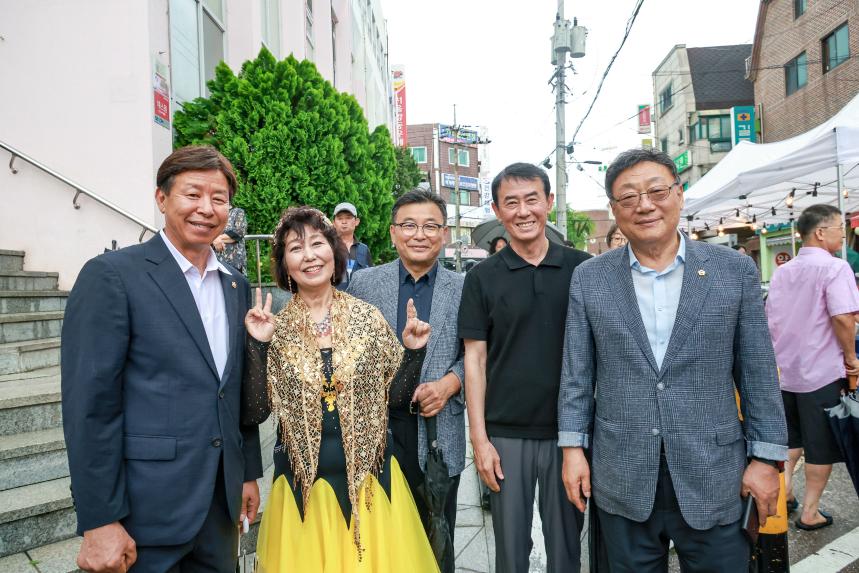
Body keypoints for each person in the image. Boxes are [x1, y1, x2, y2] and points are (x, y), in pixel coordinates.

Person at [559, 148, 788, 572]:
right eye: (629, 196)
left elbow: (757, 371)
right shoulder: (590, 278)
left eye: (656, 191)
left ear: (679, 195)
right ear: (614, 209)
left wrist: (766, 458)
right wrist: (572, 449)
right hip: (622, 471)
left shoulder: (732, 270)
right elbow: (577, 374)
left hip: (716, 473)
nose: (644, 205)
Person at [61, 145, 263, 573]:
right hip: (146, 512)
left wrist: (246, 472)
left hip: (219, 509)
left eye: (219, 198)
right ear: (162, 198)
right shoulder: (113, 275)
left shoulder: (235, 285)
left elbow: (233, 390)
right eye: (192, 194)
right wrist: (99, 520)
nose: (206, 208)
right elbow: (90, 407)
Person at [242, 206, 439, 572]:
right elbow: (256, 411)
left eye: (317, 244)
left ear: (334, 252)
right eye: (296, 248)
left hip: (372, 490)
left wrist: (414, 352)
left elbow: (396, 400)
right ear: (285, 265)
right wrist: (257, 344)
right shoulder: (275, 329)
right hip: (303, 497)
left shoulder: (368, 318)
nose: (309, 256)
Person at [459, 162, 590, 572]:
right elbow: (475, 359)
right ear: (497, 211)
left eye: (532, 199)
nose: (523, 211)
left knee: (567, 549)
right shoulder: (482, 277)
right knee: (511, 552)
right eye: (511, 202)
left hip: (569, 433)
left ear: (548, 202)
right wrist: (479, 440)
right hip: (505, 434)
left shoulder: (582, 269)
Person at [348, 189, 466, 546]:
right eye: (409, 225)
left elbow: (479, 354)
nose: (419, 235)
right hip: (378, 431)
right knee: (381, 546)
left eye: (430, 226)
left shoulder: (465, 288)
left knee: (436, 543)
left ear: (444, 234)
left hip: (438, 432)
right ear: (393, 232)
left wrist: (449, 383)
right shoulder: (364, 284)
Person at [766, 204, 859, 531]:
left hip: (785, 370)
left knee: (791, 441)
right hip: (821, 371)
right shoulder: (835, 267)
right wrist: (852, 359)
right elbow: (843, 317)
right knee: (820, 446)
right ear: (821, 232)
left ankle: (785, 494)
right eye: (839, 229)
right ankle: (810, 512)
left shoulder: (783, 271)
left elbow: (771, 319)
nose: (842, 235)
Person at [333, 201, 373, 289]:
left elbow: (371, 277)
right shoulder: (329, 248)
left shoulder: (364, 249)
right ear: (334, 223)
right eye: (340, 218)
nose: (344, 222)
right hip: (335, 296)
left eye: (348, 218)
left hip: (360, 296)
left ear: (356, 222)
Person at [213, 205, 248, 274]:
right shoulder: (213, 213)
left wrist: (216, 239)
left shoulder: (238, 212)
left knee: (235, 279)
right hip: (215, 261)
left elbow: (239, 232)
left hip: (235, 261)